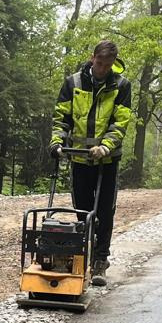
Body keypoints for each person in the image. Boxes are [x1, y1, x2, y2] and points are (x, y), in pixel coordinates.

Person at [50, 39, 133, 287]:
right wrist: (57, 142)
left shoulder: (121, 86)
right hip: (79, 158)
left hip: (107, 160)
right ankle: (82, 255)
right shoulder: (73, 83)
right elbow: (61, 117)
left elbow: (120, 122)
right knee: (83, 212)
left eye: (107, 65)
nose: (102, 69)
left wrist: (106, 146)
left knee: (105, 211)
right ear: (92, 58)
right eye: (99, 63)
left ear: (113, 63)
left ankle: (100, 260)